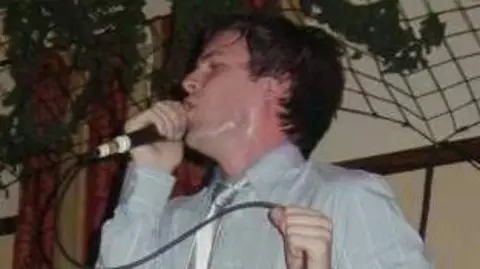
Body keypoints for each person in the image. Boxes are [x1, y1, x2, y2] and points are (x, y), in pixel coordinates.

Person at [96, 13, 434, 269]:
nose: (188, 82)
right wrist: (149, 177)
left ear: (277, 84)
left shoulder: (344, 197)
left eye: (213, 66)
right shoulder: (171, 218)